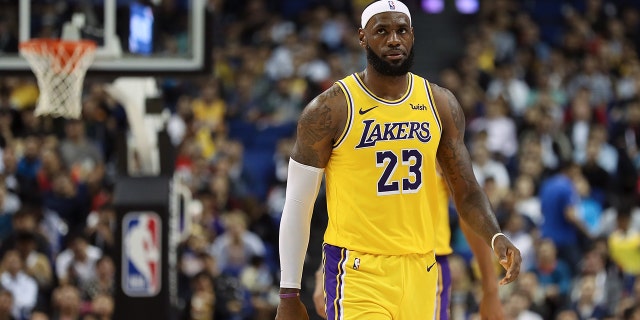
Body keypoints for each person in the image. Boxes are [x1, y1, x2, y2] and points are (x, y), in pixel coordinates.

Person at [276, 1, 522, 320]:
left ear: (412, 35)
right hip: (358, 270)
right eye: (382, 31)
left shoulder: (440, 103)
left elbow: (467, 191)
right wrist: (288, 292)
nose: (394, 39)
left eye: (401, 30)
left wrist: (495, 235)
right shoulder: (330, 109)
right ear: (363, 37)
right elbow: (297, 203)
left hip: (423, 267)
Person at [313, 169, 505, 319]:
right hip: (362, 265)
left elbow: (469, 203)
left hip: (424, 266)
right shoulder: (358, 129)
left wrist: (490, 289)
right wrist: (326, 269)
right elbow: (355, 210)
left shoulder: (432, 126)